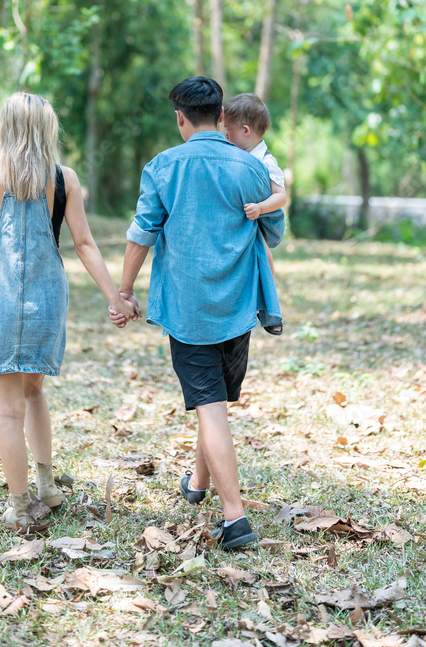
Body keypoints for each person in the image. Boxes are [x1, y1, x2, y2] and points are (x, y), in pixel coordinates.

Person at [109, 77, 284, 550]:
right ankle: (198, 483)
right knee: (214, 404)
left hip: (188, 310)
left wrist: (124, 290)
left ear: (181, 118)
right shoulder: (251, 167)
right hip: (238, 305)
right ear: (223, 117)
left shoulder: (164, 166)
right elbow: (273, 230)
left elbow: (142, 231)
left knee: (210, 406)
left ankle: (235, 519)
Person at [0, 92, 136, 533]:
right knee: (34, 392)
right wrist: (116, 297)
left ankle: (18, 507)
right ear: (47, 129)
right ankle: (47, 486)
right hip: (46, 298)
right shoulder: (63, 178)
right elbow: (85, 245)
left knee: (7, 412)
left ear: (7, 127)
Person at [223, 92, 287, 335]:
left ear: (246, 131)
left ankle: (271, 306)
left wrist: (260, 208)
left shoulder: (265, 162)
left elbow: (281, 196)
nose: (225, 134)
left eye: (229, 129)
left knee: (263, 253)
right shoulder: (236, 155)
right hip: (244, 217)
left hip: (263, 220)